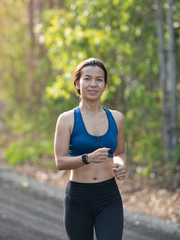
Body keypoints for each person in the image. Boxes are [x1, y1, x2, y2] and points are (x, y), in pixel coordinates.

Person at [54, 58, 127, 240]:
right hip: (78, 198)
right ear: (78, 84)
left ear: (105, 85)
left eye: (99, 79)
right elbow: (60, 162)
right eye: (87, 78)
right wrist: (87, 158)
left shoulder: (117, 118)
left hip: (109, 196)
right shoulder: (66, 119)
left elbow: (120, 153)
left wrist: (120, 164)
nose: (93, 84)